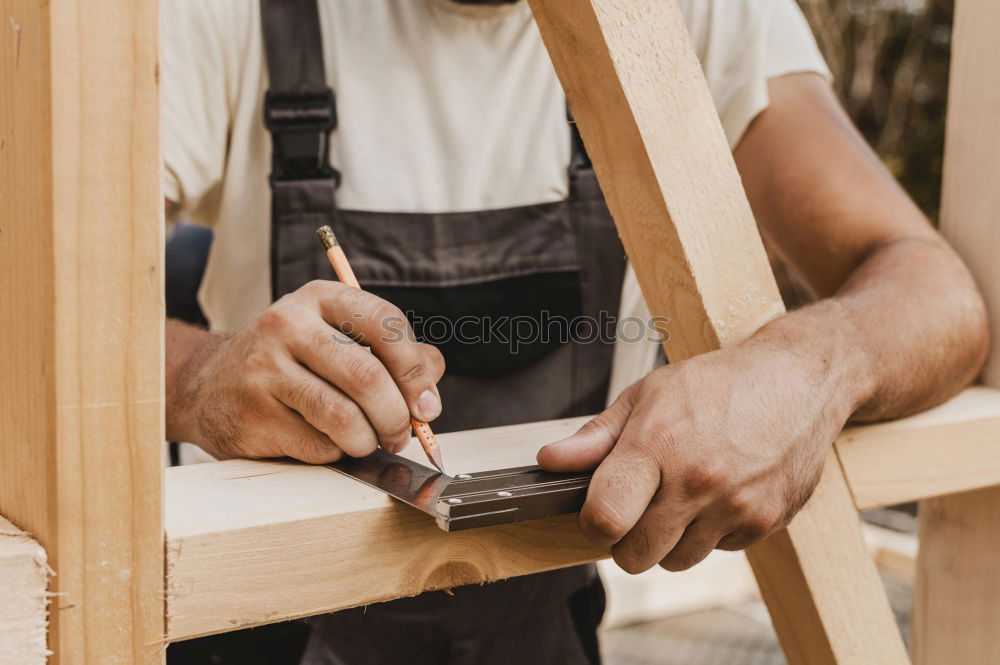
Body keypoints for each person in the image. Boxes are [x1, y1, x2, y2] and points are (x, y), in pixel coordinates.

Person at [162, 1, 989, 663]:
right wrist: (198, 374)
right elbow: (46, 320)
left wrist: (803, 367)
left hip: (549, 614)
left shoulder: (691, 16)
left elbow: (940, 297)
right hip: (254, 620)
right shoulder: (216, 14)